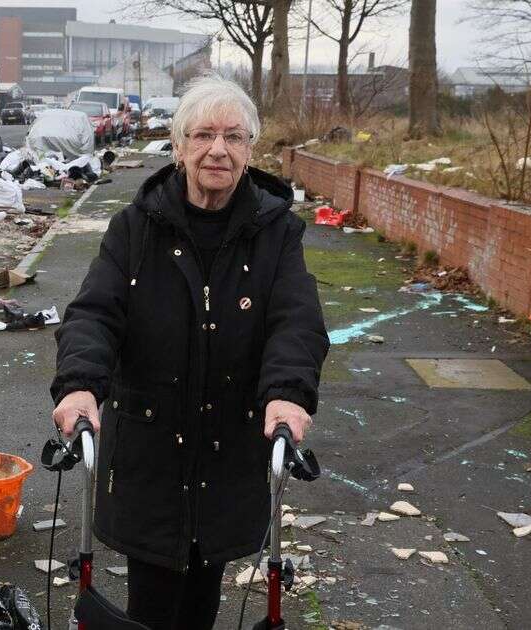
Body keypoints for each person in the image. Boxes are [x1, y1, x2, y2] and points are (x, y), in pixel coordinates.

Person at [50, 75, 329, 630]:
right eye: (202, 135)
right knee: (151, 599)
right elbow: (94, 313)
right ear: (178, 148)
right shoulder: (134, 229)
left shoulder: (277, 233)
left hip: (229, 448)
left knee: (203, 594)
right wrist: (80, 383)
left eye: (233, 136)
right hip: (151, 449)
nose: (217, 150)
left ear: (250, 150)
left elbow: (295, 321)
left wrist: (288, 395)